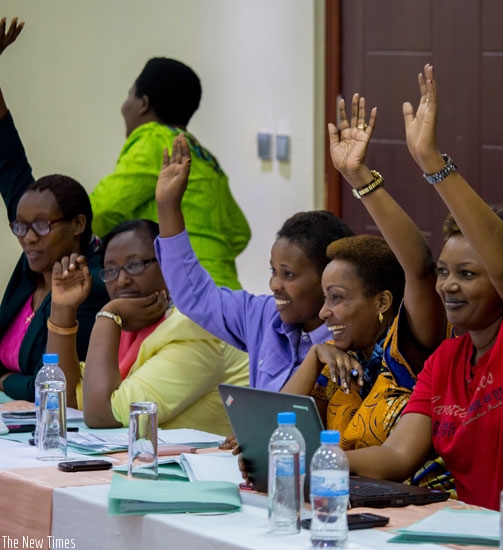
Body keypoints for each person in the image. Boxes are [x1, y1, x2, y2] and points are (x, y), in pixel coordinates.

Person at [344, 64, 503, 511]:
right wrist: (319, 459)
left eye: (467, 274)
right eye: (445, 272)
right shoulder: (446, 360)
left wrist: (432, 163)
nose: (447, 287)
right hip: (477, 537)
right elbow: (398, 455)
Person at [0, 18, 250, 289]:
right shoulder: (203, 156)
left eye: (129, 95)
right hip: (227, 295)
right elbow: (239, 233)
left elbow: (101, 211)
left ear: (143, 104)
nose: (124, 106)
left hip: (186, 296)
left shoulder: (153, 139)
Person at [280, 94, 447, 455]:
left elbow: (419, 268)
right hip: (346, 497)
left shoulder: (410, 346)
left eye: (337, 298)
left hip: (419, 501)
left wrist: (359, 177)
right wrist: (313, 357)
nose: (324, 312)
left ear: (382, 302)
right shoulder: (338, 361)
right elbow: (276, 430)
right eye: (325, 299)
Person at [155, 134, 354, 394]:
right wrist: (168, 207)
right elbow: (196, 298)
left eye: (288, 274)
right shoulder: (263, 317)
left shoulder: (348, 339)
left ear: (327, 282)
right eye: (273, 271)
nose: (274, 285)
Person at [46, 215, 249, 434]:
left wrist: (108, 314)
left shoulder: (194, 329)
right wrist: (62, 309)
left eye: (135, 265)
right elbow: (62, 401)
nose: (122, 280)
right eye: (111, 270)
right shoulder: (128, 328)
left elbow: (101, 413)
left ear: (167, 264)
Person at [0, 17, 109, 401]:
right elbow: (9, 163)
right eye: (21, 227)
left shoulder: (89, 285)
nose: (28, 238)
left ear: (78, 224)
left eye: (41, 226)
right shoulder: (37, 259)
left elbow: (52, 384)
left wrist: (2, 382)